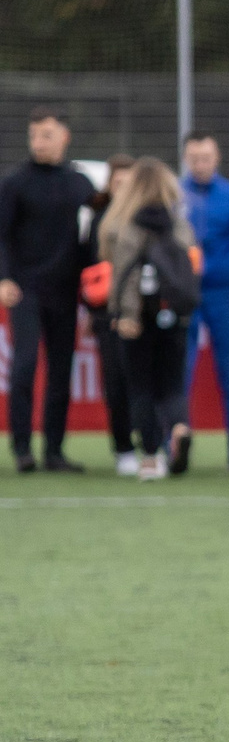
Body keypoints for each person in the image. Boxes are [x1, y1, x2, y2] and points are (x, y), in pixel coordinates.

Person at [0, 109, 96, 472]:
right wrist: (4, 278)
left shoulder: (80, 184)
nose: (39, 141)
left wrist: (94, 296)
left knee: (61, 371)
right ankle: (23, 450)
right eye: (34, 135)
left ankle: (54, 452)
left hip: (66, 291)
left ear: (64, 137)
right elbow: (2, 235)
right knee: (24, 366)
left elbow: (95, 239)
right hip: (25, 290)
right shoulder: (14, 183)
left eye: (46, 134)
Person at [102, 158, 197, 482]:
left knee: (141, 387)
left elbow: (123, 275)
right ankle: (180, 427)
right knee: (172, 385)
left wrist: (123, 314)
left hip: (138, 317)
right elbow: (191, 265)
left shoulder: (127, 224)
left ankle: (151, 456)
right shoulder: (178, 223)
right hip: (175, 313)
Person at [179, 132, 229, 472]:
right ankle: (176, 446)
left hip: (222, 295)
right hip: (182, 295)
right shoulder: (174, 195)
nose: (200, 165)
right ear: (185, 158)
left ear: (217, 158)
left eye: (206, 158)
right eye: (194, 158)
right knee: (179, 374)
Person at [79, 155, 139, 474]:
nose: (123, 187)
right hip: (107, 312)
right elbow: (87, 266)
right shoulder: (98, 218)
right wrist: (90, 308)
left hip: (144, 311)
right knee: (115, 380)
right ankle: (123, 446)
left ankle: (152, 441)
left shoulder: (146, 216)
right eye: (118, 180)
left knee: (144, 380)